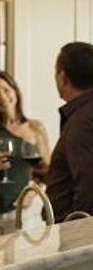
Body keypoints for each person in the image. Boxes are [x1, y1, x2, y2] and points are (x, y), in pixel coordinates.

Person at [0, 71, 50, 239]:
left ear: (15, 91)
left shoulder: (36, 128)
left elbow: (48, 172)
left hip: (21, 212)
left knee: (19, 263)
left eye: (6, 90)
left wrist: (32, 192)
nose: (2, 97)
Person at [46, 42, 93, 222]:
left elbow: (88, 187)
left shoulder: (82, 121)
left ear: (63, 77)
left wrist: (78, 246)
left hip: (79, 239)